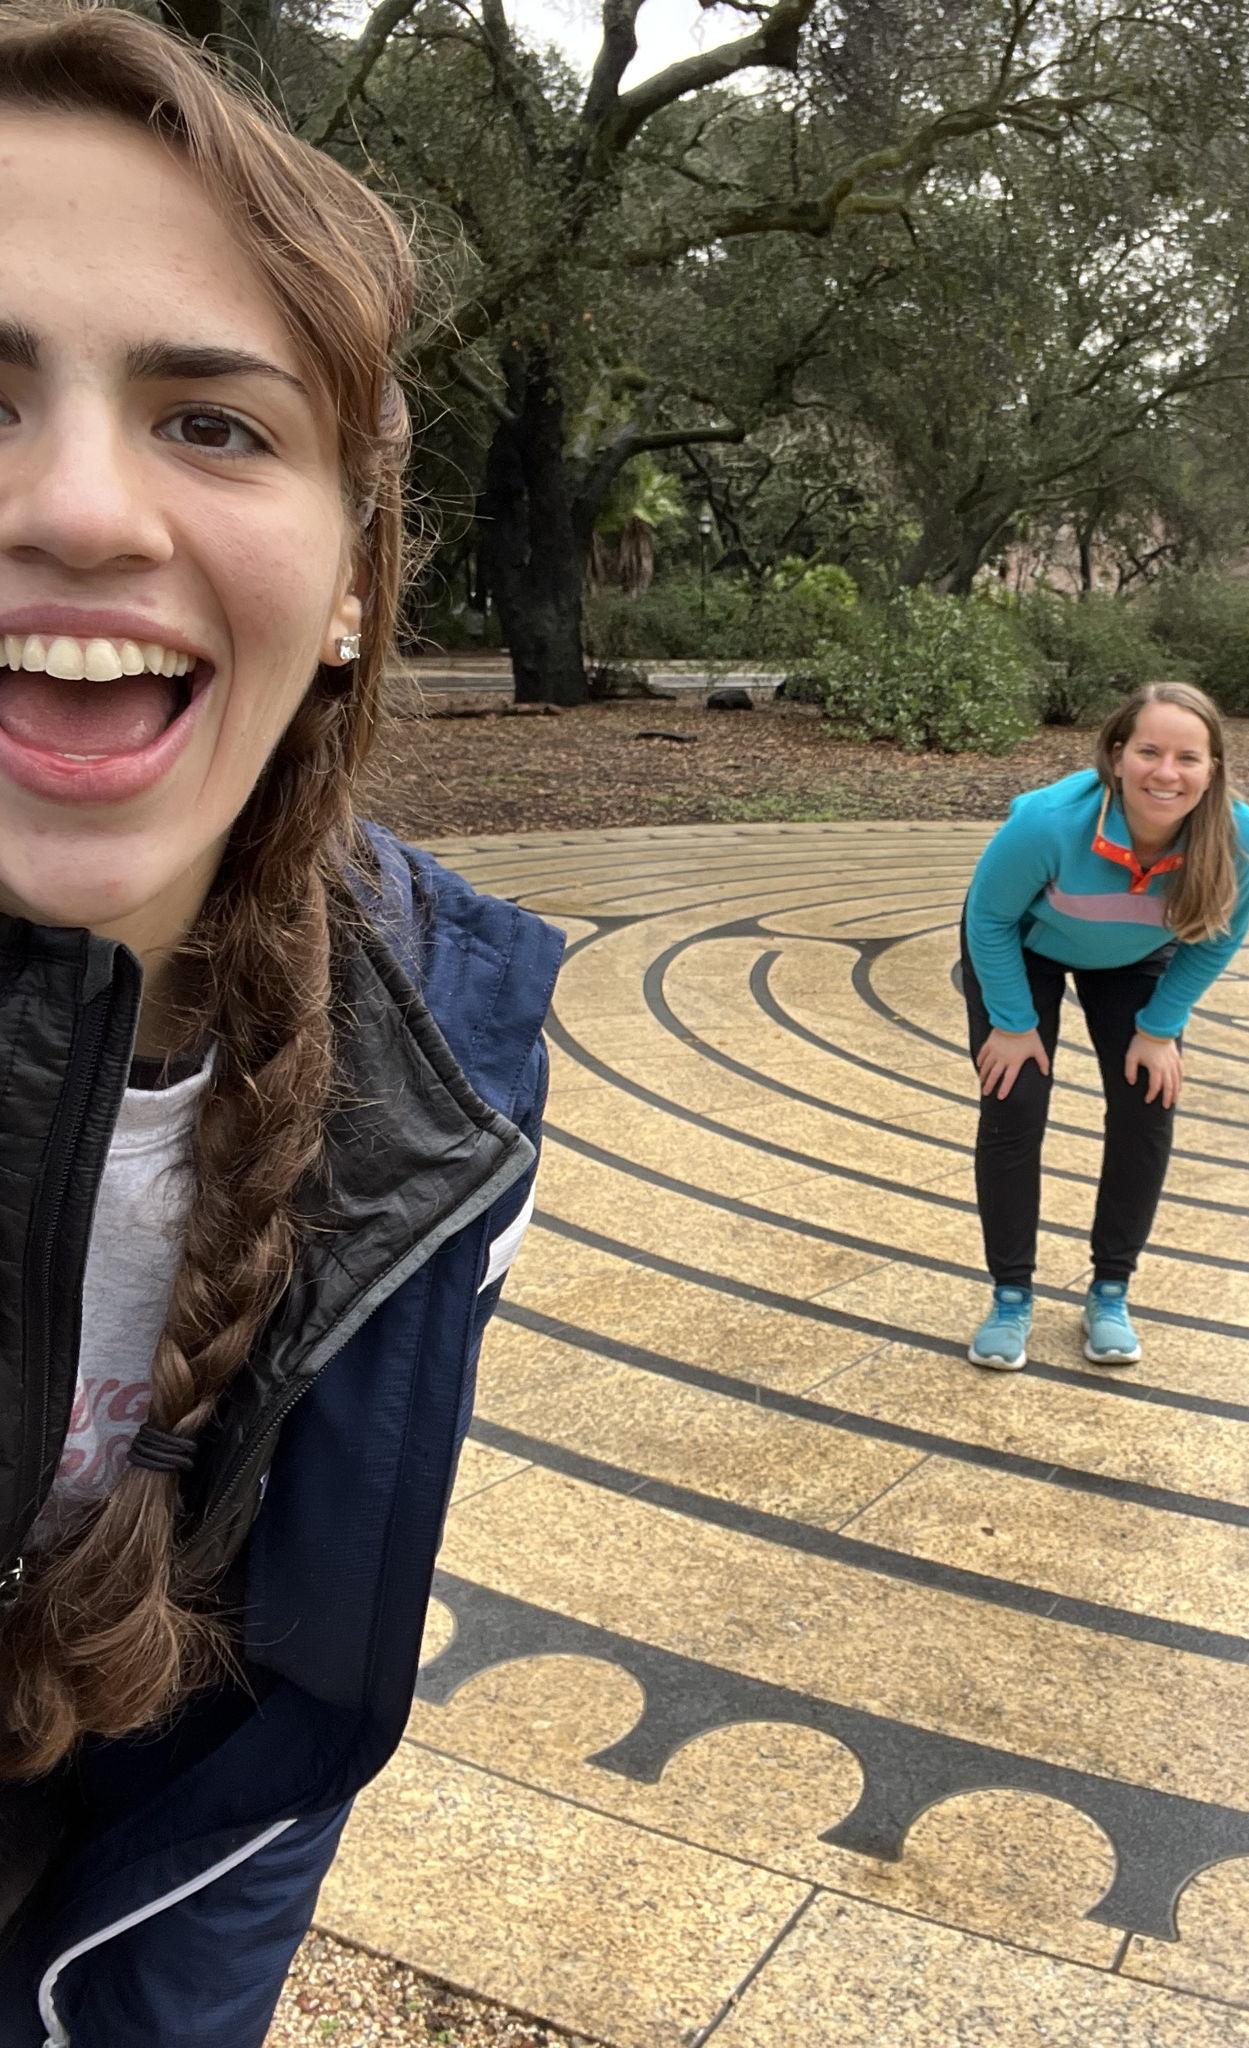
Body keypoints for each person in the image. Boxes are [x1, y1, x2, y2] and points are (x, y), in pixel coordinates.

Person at [0, 6, 561, 2039]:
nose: (82, 509)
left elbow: (276, 1741)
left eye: (211, 420)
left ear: (350, 575)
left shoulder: (454, 1069)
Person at [960, 681, 1249, 1370]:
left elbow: (1215, 937)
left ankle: (1111, 1290)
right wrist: (1012, 1023)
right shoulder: (1047, 824)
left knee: (1147, 1103)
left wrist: (1160, 1029)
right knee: (1014, 1102)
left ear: (1213, 768)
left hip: (1135, 957)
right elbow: (989, 917)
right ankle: (1011, 1295)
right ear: (1116, 755)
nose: (1167, 772)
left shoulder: (1240, 837)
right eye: (1149, 751)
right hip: (1024, 949)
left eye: (1188, 757)